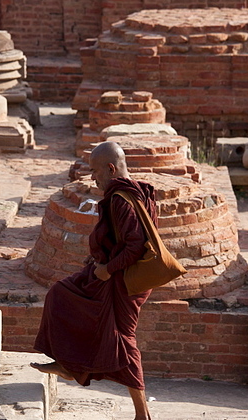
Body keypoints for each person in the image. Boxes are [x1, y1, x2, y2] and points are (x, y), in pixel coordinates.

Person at [31, 141, 155, 420]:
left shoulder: (123, 200)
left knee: (123, 340)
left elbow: (135, 247)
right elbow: (120, 240)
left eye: (95, 172)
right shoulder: (131, 194)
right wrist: (99, 260)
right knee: (61, 294)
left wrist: (108, 269)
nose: (93, 178)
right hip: (108, 271)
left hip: (122, 279)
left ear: (111, 168)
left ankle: (142, 414)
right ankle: (69, 365)